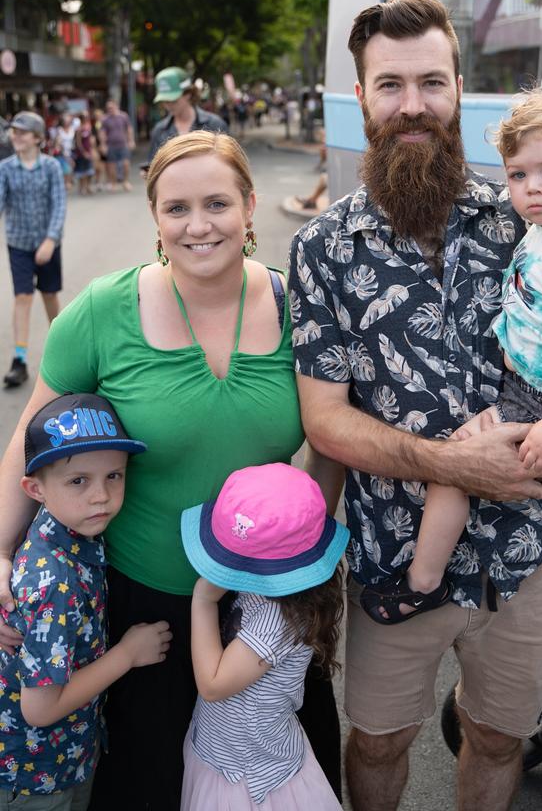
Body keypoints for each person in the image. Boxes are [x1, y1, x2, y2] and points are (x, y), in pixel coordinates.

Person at [288, 0, 542, 811]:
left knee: (501, 737)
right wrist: (452, 464)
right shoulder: (322, 249)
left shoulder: (528, 221)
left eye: (432, 81)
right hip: (397, 561)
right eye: (390, 85)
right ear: (360, 97)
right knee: (380, 744)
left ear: (460, 89)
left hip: (528, 554)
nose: (413, 105)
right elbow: (324, 419)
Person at [0, 130, 343, 810]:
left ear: (250, 207)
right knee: (149, 783)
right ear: (154, 217)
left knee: (279, 781)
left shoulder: (301, 310)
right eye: (176, 208)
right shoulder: (101, 312)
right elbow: (27, 439)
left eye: (217, 203)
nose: (198, 225)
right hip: (142, 608)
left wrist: (310, 559)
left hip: (267, 605)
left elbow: (329, 442)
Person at [359, 85, 542, 626]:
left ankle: (422, 581)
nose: (532, 188)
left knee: (456, 463)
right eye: (518, 175)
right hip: (540, 382)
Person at [0, 392, 171, 808]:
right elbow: (39, 709)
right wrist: (128, 654)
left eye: (114, 475)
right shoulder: (53, 580)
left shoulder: (66, 528)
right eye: (79, 480)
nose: (101, 495)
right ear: (34, 488)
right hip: (38, 775)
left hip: (63, 755)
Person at [179, 461, 348, 810]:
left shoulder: (279, 620)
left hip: (248, 778)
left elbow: (213, 684)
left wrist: (203, 600)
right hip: (226, 752)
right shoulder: (275, 591)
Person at [0, 111, 66, 389]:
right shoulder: (5, 168)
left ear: (38, 138)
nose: (16, 136)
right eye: (14, 131)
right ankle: (19, 359)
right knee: (23, 297)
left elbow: (59, 204)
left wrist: (51, 240)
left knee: (49, 295)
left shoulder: (51, 167)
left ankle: (64, 350)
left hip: (47, 244)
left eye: (23, 132)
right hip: (18, 244)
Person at [147, 67, 227, 165]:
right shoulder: (159, 130)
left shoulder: (215, 124)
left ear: (188, 94)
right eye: (164, 101)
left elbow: (229, 164)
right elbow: (152, 165)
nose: (168, 105)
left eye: (173, 100)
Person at [99, 99, 135, 191]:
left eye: (111, 107)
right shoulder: (105, 119)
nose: (110, 109)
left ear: (116, 106)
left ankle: (125, 181)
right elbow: (102, 132)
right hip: (111, 145)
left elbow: (129, 129)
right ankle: (113, 183)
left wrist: (131, 141)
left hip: (123, 144)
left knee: (126, 164)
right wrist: (103, 145)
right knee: (111, 165)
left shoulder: (123, 116)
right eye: (108, 108)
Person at [73, 111, 97, 196]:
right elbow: (78, 143)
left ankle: (88, 186)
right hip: (81, 153)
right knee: (82, 171)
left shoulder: (88, 127)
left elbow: (91, 140)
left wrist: (92, 150)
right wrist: (83, 152)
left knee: (89, 170)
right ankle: (81, 187)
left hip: (89, 151)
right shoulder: (79, 129)